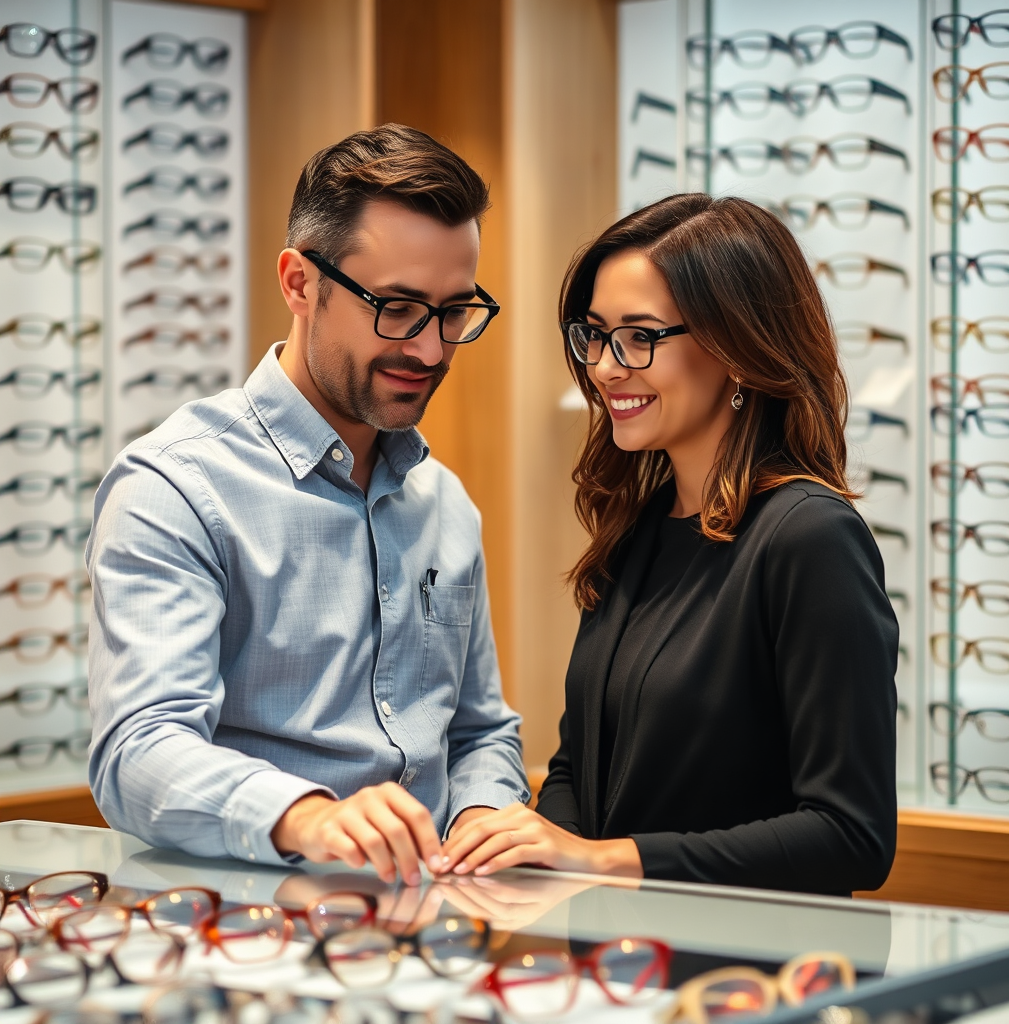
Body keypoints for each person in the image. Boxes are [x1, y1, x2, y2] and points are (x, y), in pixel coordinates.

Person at [87, 124, 530, 882]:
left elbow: (479, 732)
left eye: (454, 311)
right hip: (251, 926)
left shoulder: (444, 502)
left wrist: (483, 812)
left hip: (433, 923)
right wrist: (309, 818)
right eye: (397, 307)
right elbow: (137, 751)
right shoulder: (174, 486)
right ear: (299, 283)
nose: (430, 351)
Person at [439, 193, 898, 896]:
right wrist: (536, 850)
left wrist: (603, 859)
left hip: (745, 964)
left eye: (640, 337)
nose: (605, 367)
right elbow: (577, 768)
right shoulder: (638, 527)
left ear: (737, 348)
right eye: (595, 335)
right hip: (617, 955)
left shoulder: (811, 536)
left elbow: (851, 835)